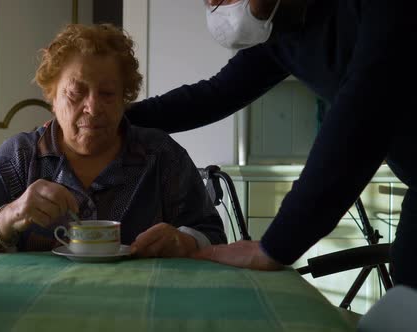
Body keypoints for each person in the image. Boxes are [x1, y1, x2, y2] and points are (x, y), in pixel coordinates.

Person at [125, 0, 417, 288]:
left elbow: (361, 117)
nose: (214, 4)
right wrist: (111, 115)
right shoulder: (280, 34)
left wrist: (275, 246)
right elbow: (212, 96)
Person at [0, 23, 227, 256]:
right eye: (75, 93)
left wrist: (184, 241)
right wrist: (9, 215)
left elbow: (213, 234)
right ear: (52, 97)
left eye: (107, 94)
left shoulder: (162, 155)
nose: (92, 108)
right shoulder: (20, 156)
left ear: (125, 98)